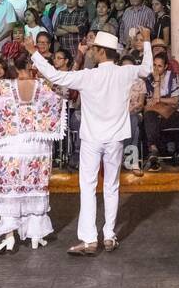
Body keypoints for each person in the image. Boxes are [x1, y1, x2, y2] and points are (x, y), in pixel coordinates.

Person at [27, 28, 152, 255]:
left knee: (88, 186)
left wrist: (34, 53)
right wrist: (148, 43)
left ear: (101, 52)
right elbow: (147, 68)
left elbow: (55, 76)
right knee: (111, 186)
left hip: (92, 138)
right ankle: (110, 236)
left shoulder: (89, 75)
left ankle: (89, 240)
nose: (91, 51)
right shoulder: (125, 72)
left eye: (94, 49)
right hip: (115, 138)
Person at [0, 53, 66, 252]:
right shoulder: (46, 86)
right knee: (35, 187)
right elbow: (61, 87)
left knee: (10, 189)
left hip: (10, 146)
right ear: (31, 66)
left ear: (14, 66)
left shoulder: (1, 87)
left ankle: (10, 236)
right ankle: (35, 235)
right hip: (36, 146)